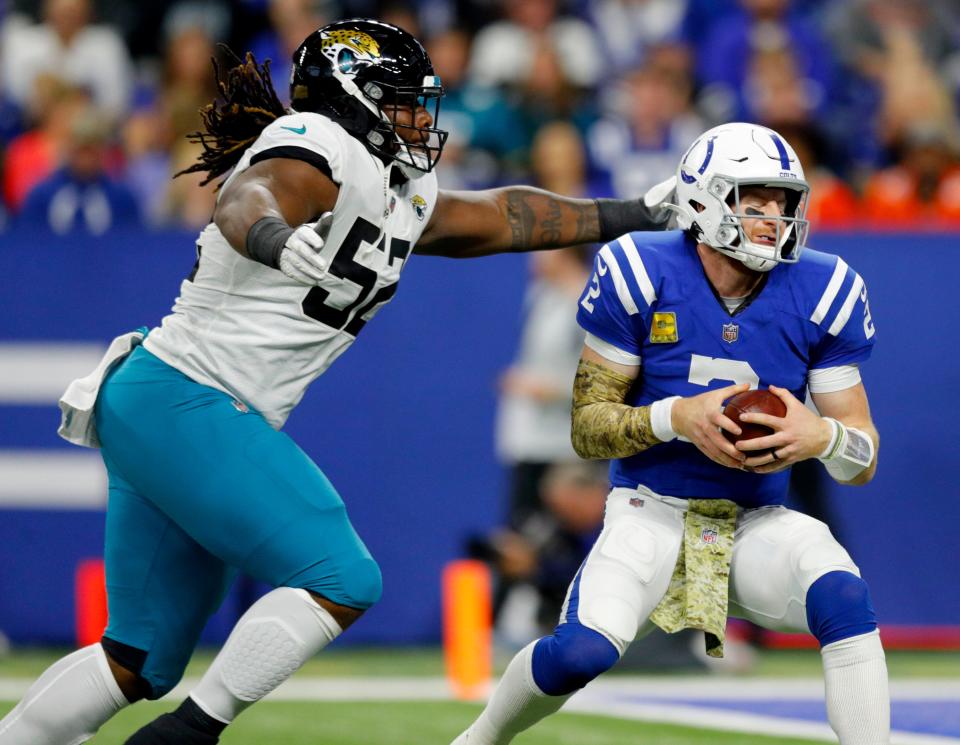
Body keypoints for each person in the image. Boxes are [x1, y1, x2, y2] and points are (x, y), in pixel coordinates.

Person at [0, 18, 671, 745]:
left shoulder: (396, 184)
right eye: (404, 100)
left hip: (169, 402)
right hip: (187, 397)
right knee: (343, 576)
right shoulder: (322, 142)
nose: (421, 117)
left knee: (136, 659)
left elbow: (499, 216)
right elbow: (245, 197)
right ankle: (188, 734)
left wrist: (636, 213)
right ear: (352, 97)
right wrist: (277, 240)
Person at [451, 122, 889, 745]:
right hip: (649, 513)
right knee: (579, 655)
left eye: (783, 203)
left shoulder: (825, 287)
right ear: (706, 201)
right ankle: (481, 737)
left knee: (845, 599)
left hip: (755, 522)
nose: (774, 219)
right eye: (754, 202)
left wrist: (821, 438)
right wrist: (675, 417)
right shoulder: (641, 267)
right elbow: (588, 428)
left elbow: (862, 457)